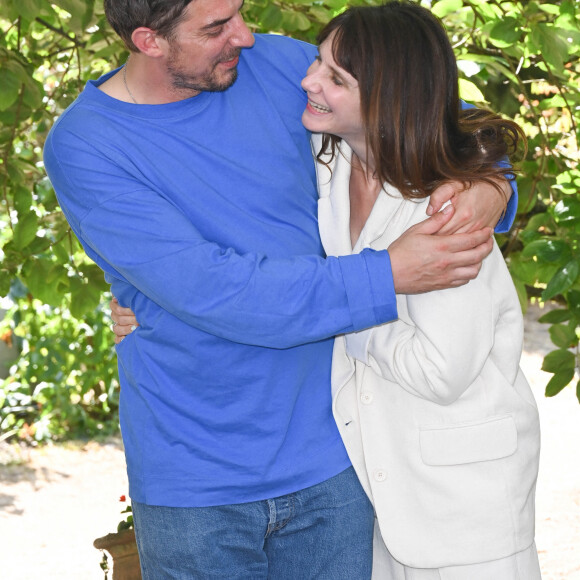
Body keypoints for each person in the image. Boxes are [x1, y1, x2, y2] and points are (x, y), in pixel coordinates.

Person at [45, 0, 517, 577]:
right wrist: (387, 272)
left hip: (336, 457)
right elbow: (217, 290)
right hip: (196, 473)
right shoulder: (88, 144)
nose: (244, 36)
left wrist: (491, 186)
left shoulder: (278, 66)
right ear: (149, 41)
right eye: (217, 27)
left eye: (239, 13)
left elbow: (425, 109)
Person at [300, 3, 541, 578]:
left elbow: (440, 370)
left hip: (464, 498)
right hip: (384, 485)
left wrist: (335, 308)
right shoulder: (326, 158)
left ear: (388, 97)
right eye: (317, 62)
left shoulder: (444, 205)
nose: (309, 81)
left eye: (337, 77)